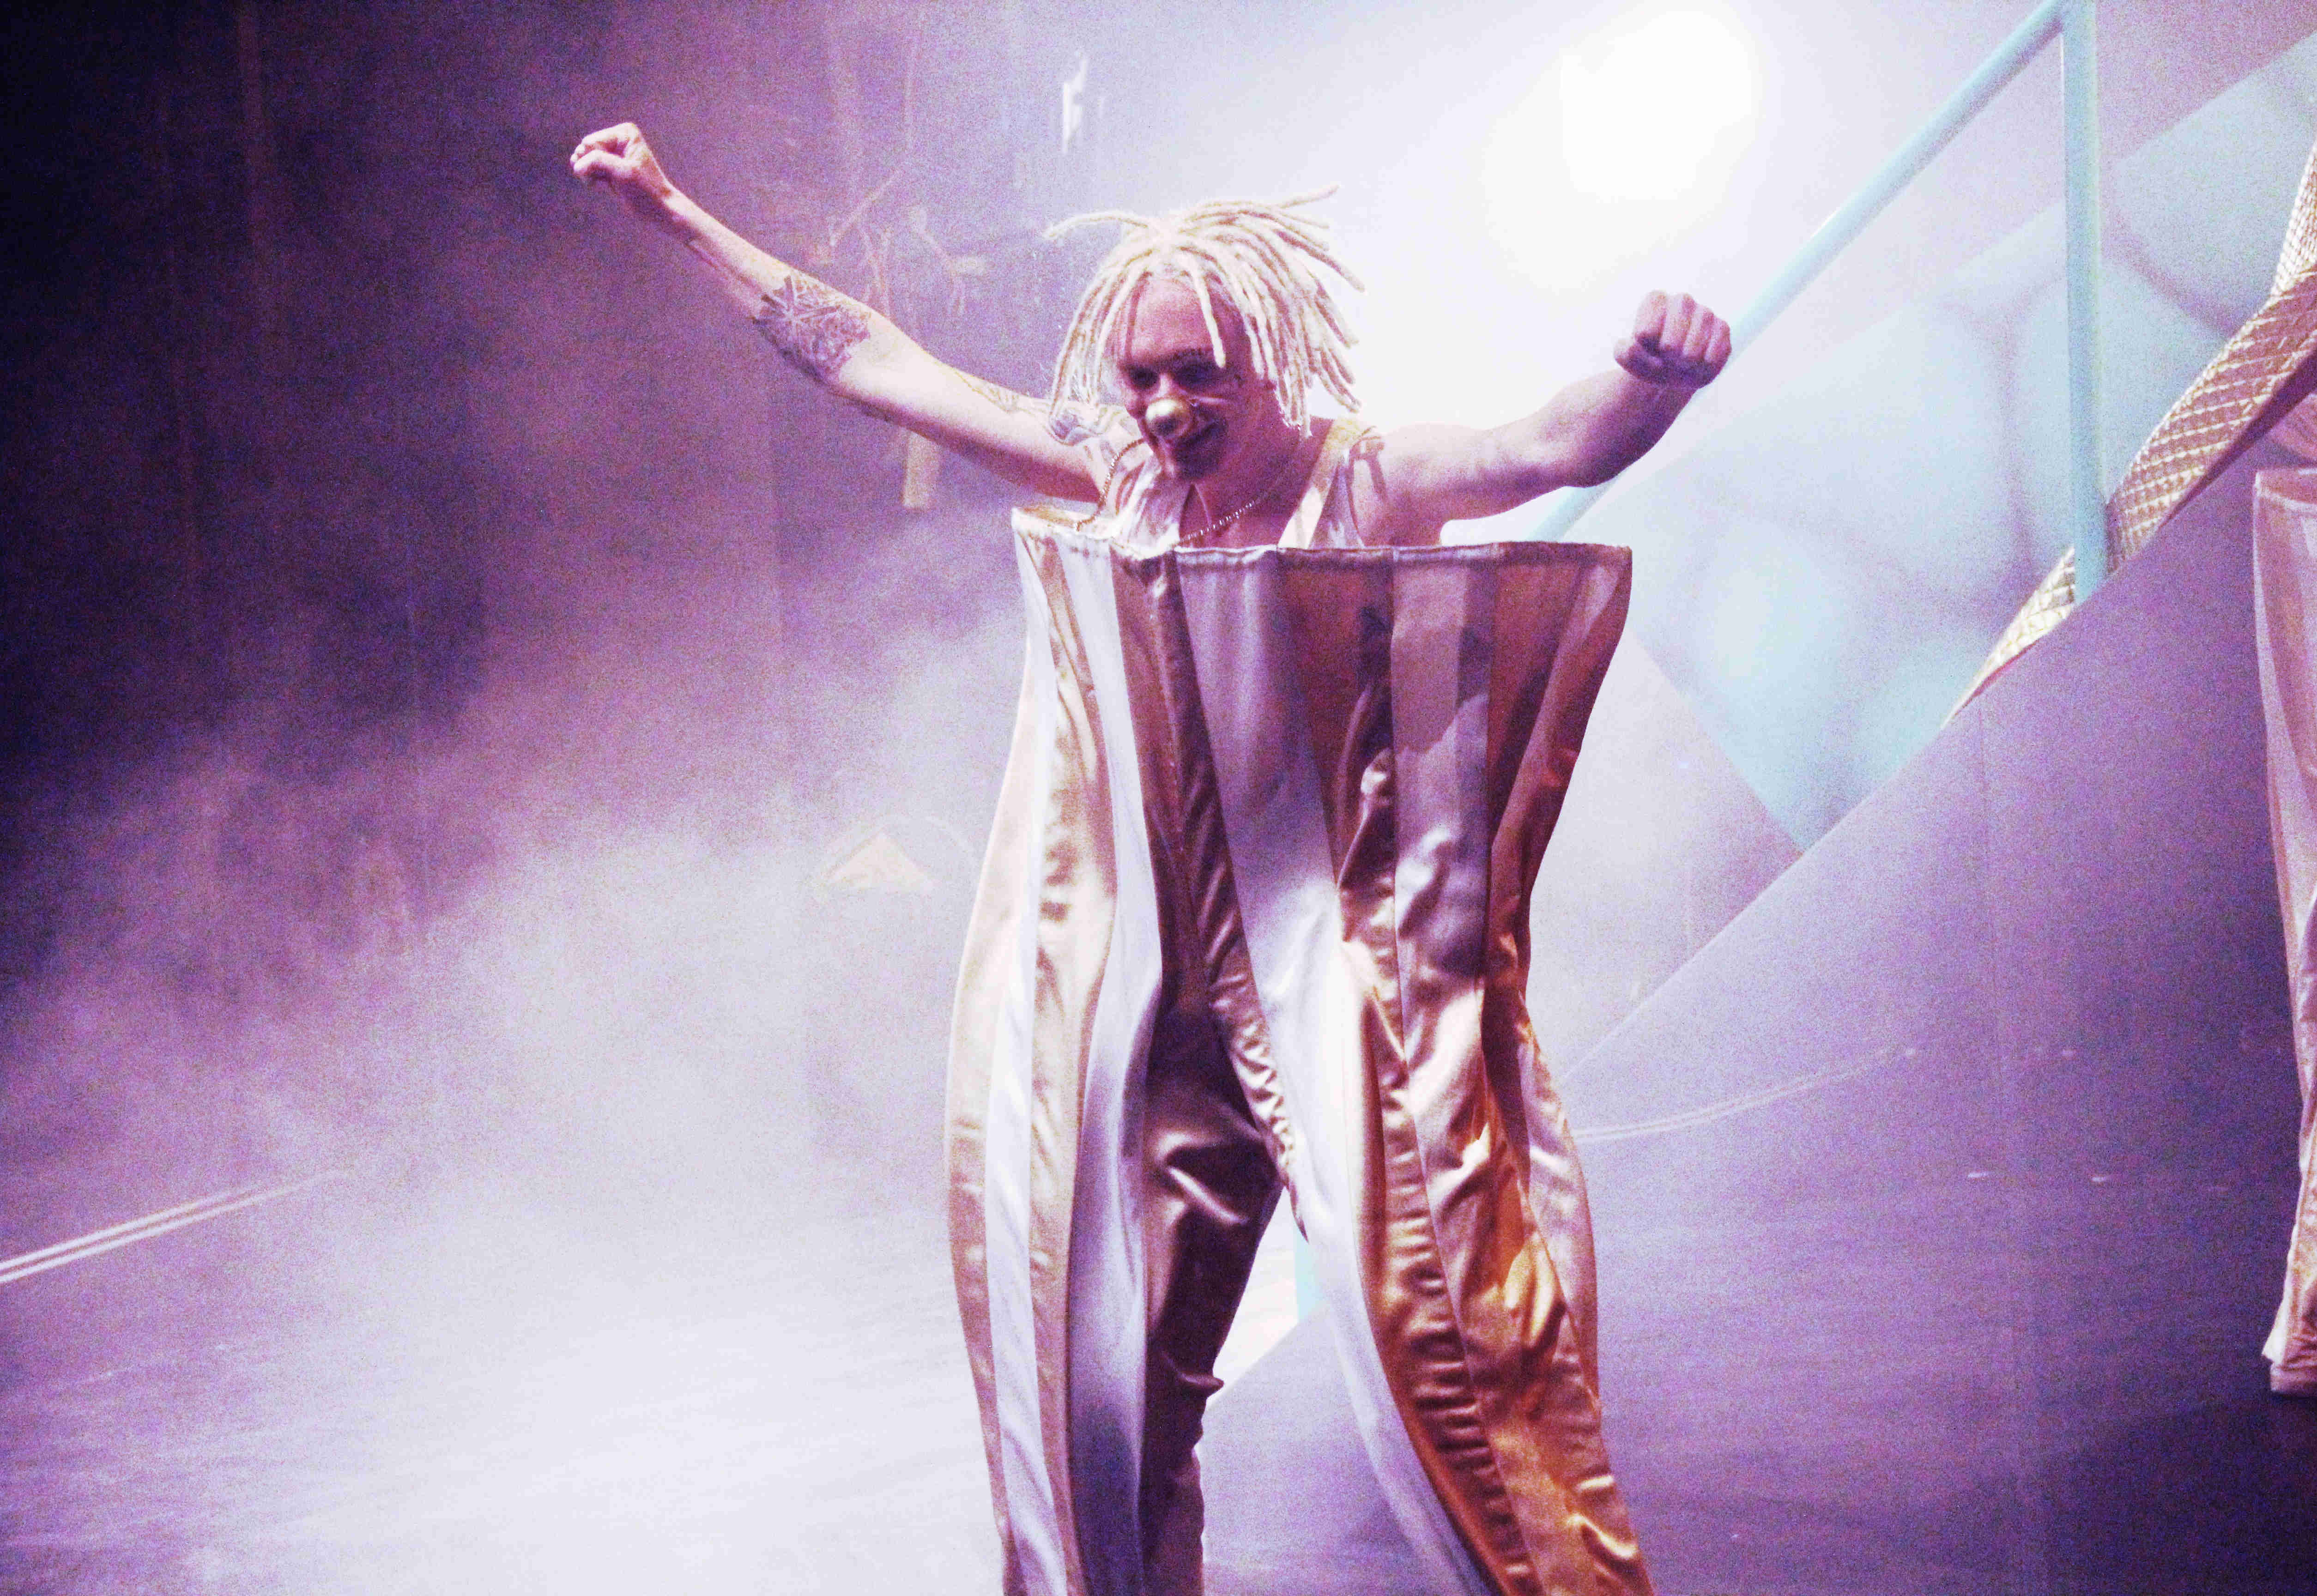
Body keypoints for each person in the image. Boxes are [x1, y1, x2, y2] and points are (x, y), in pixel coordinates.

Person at [573, 120, 1729, 1596]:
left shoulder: (1364, 481)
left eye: (1201, 374)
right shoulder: (1115, 475)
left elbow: (1544, 447)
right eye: (1142, 379)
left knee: (1460, 1364)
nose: (1168, 409)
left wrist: (1650, 378)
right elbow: (875, 363)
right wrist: (678, 213)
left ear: (1274, 362)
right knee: (1097, 1402)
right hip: (1150, 1003)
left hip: (1340, 990)